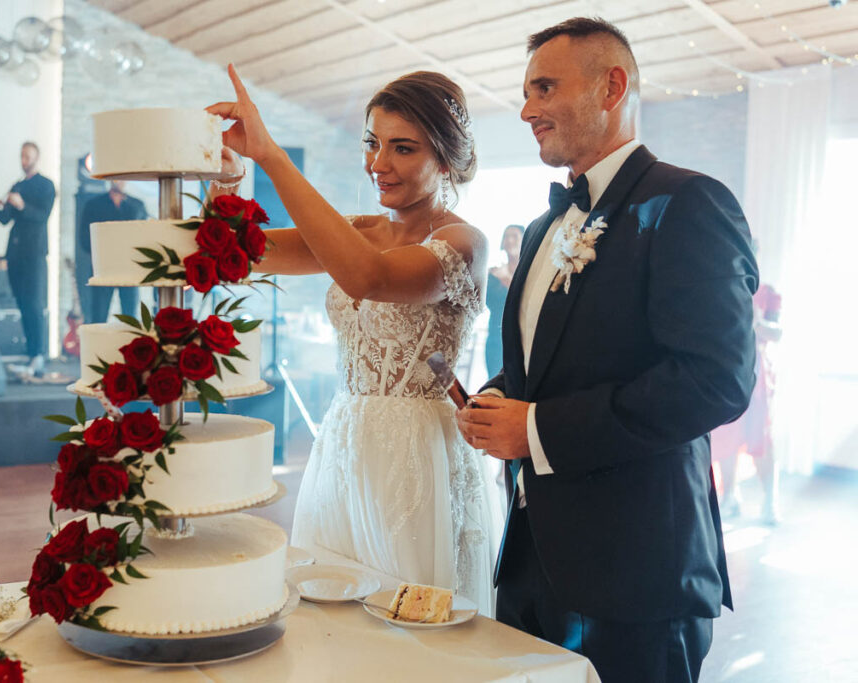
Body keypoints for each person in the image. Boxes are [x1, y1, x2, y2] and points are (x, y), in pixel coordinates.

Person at [456, 18, 757, 682]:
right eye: (526, 93)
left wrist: (535, 430)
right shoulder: (543, 226)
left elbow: (715, 381)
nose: (527, 110)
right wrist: (500, 397)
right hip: (529, 561)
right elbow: (548, 361)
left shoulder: (687, 203)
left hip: (637, 576)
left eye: (544, 88)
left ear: (611, 87)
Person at [206, 65, 501, 613]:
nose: (377, 163)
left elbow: (370, 278)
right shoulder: (359, 230)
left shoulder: (464, 243)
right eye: (372, 143)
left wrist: (272, 156)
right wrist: (228, 177)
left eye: (402, 148)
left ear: (445, 159)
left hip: (417, 454)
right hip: (344, 440)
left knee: (408, 618)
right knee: (333, 612)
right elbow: (239, 252)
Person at [712, 278, 782, 524]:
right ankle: (730, 496)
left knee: (759, 436)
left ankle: (770, 500)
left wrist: (756, 322)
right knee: (725, 435)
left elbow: (777, 332)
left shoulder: (768, 293)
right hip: (727, 370)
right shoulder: (723, 285)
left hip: (757, 375)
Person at [0, 141, 55, 376]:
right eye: (22, 156)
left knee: (34, 303)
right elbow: (5, 219)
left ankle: (39, 354)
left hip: (34, 253)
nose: (24, 160)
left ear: (36, 158)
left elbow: (42, 215)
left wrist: (22, 205)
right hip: (15, 253)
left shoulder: (46, 185)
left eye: (28, 156)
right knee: (21, 303)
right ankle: (31, 354)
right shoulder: (17, 185)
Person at [77, 181, 146, 324]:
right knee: (99, 316)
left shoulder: (137, 205)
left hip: (129, 268)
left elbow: (143, 238)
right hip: (104, 267)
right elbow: (84, 238)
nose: (118, 181)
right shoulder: (93, 205)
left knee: (131, 318)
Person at [485, 224, 524, 377]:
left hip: (521, 339)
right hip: (496, 338)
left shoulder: (529, 274)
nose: (510, 240)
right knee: (494, 379)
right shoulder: (493, 275)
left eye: (515, 236)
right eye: (506, 236)